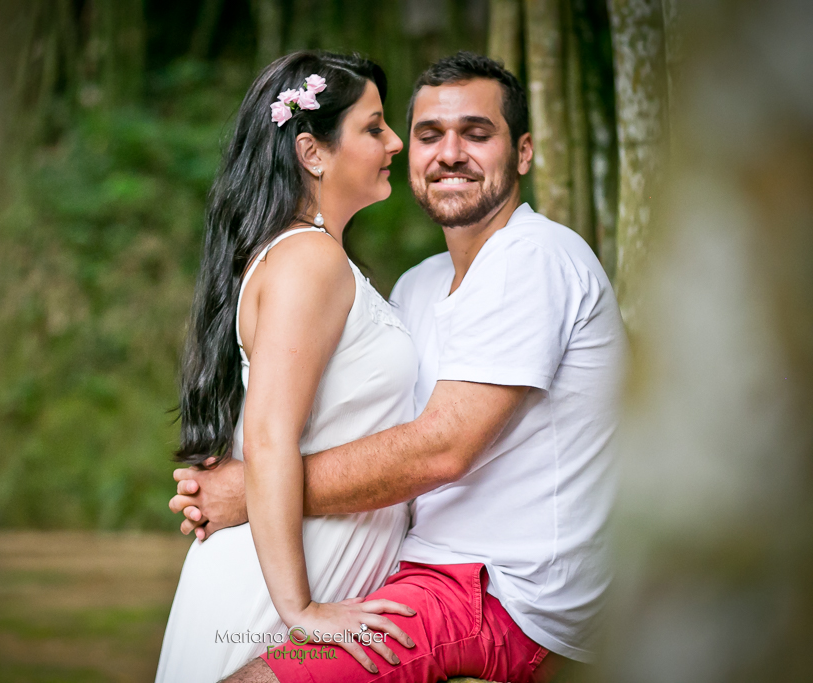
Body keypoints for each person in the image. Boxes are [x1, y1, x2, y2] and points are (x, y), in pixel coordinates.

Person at [170, 52, 628, 683]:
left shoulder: (537, 257)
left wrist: (251, 490)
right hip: (415, 567)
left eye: (477, 133)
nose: (449, 153)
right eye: (427, 135)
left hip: (499, 589)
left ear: (523, 152)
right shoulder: (416, 286)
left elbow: (441, 448)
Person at [154, 51, 425, 683]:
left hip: (312, 563)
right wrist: (298, 609)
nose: (393, 142)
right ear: (313, 152)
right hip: (274, 594)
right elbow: (270, 434)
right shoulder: (309, 260)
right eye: (374, 126)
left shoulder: (313, 257)